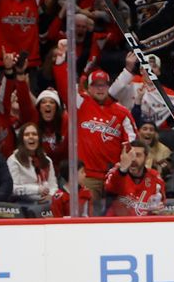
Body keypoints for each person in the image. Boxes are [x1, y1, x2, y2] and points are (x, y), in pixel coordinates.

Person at [54, 46, 138, 215]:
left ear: (108, 86)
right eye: (96, 85)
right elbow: (64, 86)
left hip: (115, 177)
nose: (100, 89)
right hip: (88, 177)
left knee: (120, 217)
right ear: (89, 87)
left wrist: (124, 165)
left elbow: (132, 142)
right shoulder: (81, 104)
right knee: (88, 219)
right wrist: (60, 62)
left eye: (103, 85)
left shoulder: (121, 112)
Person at [104, 140, 166, 216]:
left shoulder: (155, 177)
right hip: (117, 223)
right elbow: (109, 187)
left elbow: (161, 205)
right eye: (130, 155)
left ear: (146, 157)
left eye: (138, 155)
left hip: (144, 224)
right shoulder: (117, 172)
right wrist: (122, 170)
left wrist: (156, 210)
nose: (133, 159)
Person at [7, 122, 58, 204]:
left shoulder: (47, 160)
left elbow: (53, 186)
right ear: (21, 140)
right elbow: (12, 189)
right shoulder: (13, 160)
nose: (31, 137)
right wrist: (36, 190)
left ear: (39, 138)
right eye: (27, 134)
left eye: (34, 134)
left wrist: (51, 196)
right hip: (23, 204)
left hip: (46, 203)